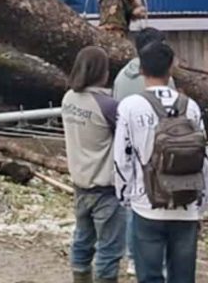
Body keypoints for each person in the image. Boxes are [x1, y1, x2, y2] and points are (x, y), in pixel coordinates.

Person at [114, 41, 208, 283]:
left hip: (146, 202)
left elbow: (121, 158)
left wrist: (124, 195)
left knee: (149, 276)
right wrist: (205, 197)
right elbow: (204, 157)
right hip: (187, 202)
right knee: (183, 277)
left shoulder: (130, 106)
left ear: (141, 69)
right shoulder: (191, 106)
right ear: (171, 67)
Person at [113, 27, 176, 277]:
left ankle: (133, 256)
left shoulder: (121, 77)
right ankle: (160, 260)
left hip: (132, 150)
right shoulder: (164, 80)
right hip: (160, 150)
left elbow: (117, 115)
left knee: (133, 207)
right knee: (161, 207)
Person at [62, 46, 125, 283]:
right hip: (106, 187)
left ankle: (80, 278)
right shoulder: (108, 106)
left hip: (80, 183)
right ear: (103, 73)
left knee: (82, 240)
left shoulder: (68, 99)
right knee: (109, 249)